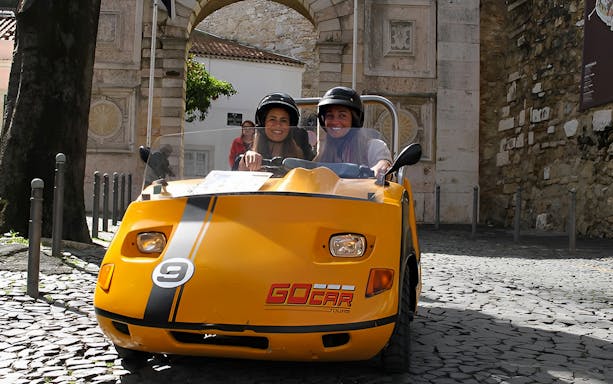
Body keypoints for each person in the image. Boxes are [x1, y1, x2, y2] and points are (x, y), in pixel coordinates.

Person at [314, 86, 392, 179]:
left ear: (354, 120)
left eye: (342, 115)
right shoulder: (322, 151)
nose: (335, 121)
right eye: (330, 116)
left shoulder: (373, 147)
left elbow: (383, 165)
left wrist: (382, 167)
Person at [239, 93, 306, 171]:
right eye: (272, 119)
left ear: (290, 126)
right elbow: (239, 178)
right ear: (263, 124)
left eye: (283, 120)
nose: (278, 125)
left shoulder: (300, 158)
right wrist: (247, 158)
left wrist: (321, 144)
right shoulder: (249, 156)